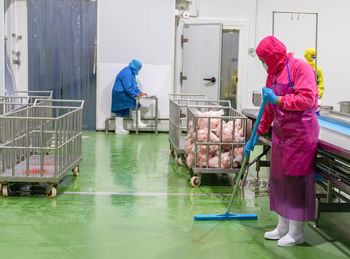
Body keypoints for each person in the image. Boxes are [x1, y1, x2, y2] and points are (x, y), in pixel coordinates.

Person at [245, 36, 319, 247]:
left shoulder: (299, 68)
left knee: (295, 182)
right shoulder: (273, 74)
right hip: (282, 134)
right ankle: (283, 227)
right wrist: (255, 135)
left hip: (301, 134)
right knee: (278, 180)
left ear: (271, 56)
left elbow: (307, 99)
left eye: (263, 58)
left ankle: (297, 233)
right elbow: (267, 110)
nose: (262, 63)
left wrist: (278, 99)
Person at [111, 59, 147, 134]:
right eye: (139, 69)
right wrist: (135, 95)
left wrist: (139, 93)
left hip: (121, 93)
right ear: (136, 67)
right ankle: (136, 123)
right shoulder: (127, 73)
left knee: (121, 110)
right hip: (120, 94)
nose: (139, 70)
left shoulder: (131, 73)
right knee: (134, 104)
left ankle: (119, 129)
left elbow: (134, 85)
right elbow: (128, 88)